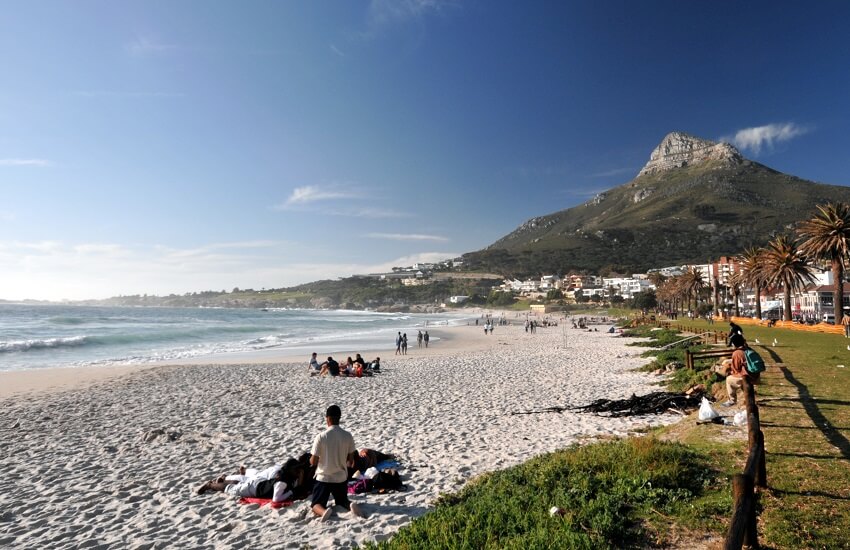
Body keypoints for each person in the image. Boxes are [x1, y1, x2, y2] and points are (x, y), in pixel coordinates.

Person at [309, 405, 366, 521]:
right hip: (340, 477)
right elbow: (350, 460)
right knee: (342, 501)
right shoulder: (347, 436)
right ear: (339, 418)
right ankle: (350, 505)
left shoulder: (321, 437)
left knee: (316, 504)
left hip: (324, 478)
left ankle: (324, 511)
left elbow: (313, 461)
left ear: (328, 418)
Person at [723, 334, 756, 407]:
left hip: (748, 377)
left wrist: (730, 371)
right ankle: (748, 397)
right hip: (755, 375)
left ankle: (732, 400)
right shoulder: (749, 349)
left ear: (734, 344)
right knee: (741, 378)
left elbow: (736, 368)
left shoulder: (737, 353)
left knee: (729, 379)